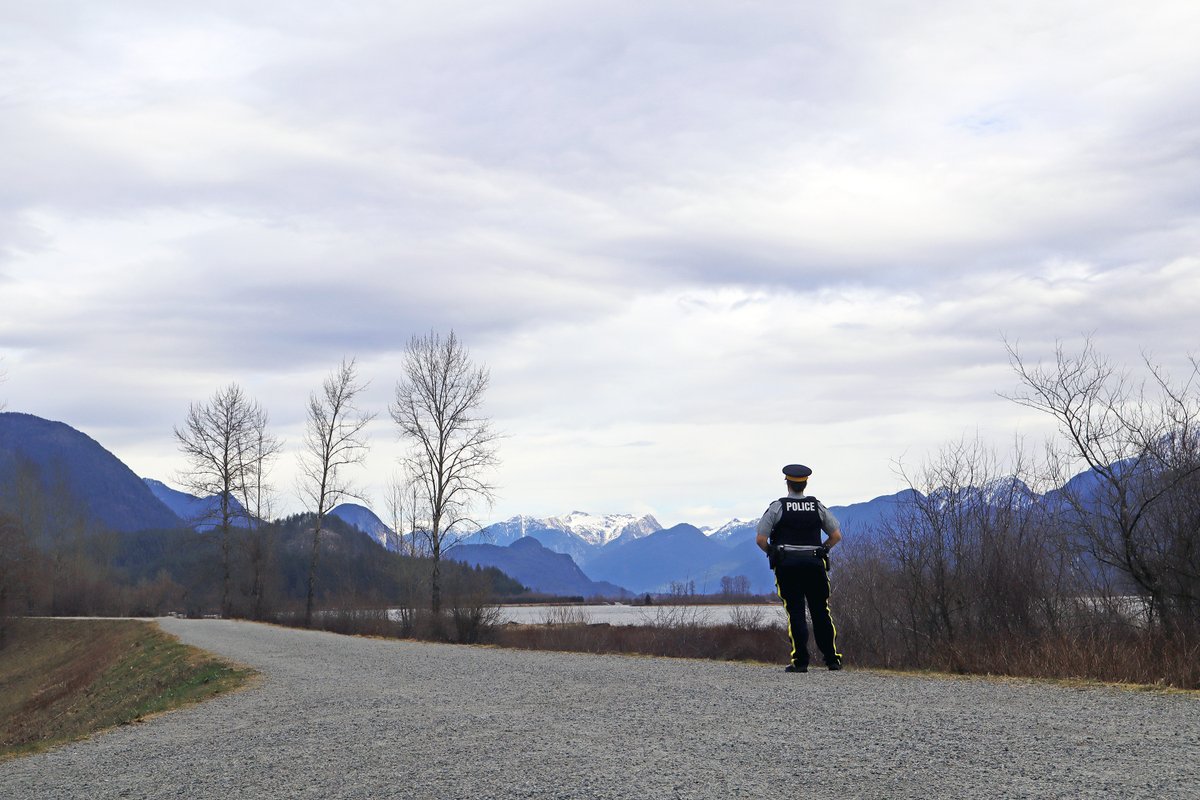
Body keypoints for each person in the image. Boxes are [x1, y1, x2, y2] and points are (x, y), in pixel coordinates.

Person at [756, 463, 843, 672]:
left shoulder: (777, 507)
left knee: (795, 611)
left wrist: (772, 551)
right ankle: (832, 659)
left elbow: (760, 539)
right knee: (821, 611)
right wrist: (823, 549)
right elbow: (836, 536)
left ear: (788, 483)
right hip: (814, 565)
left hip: (788, 566)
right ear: (805, 484)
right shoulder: (817, 506)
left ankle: (801, 661)